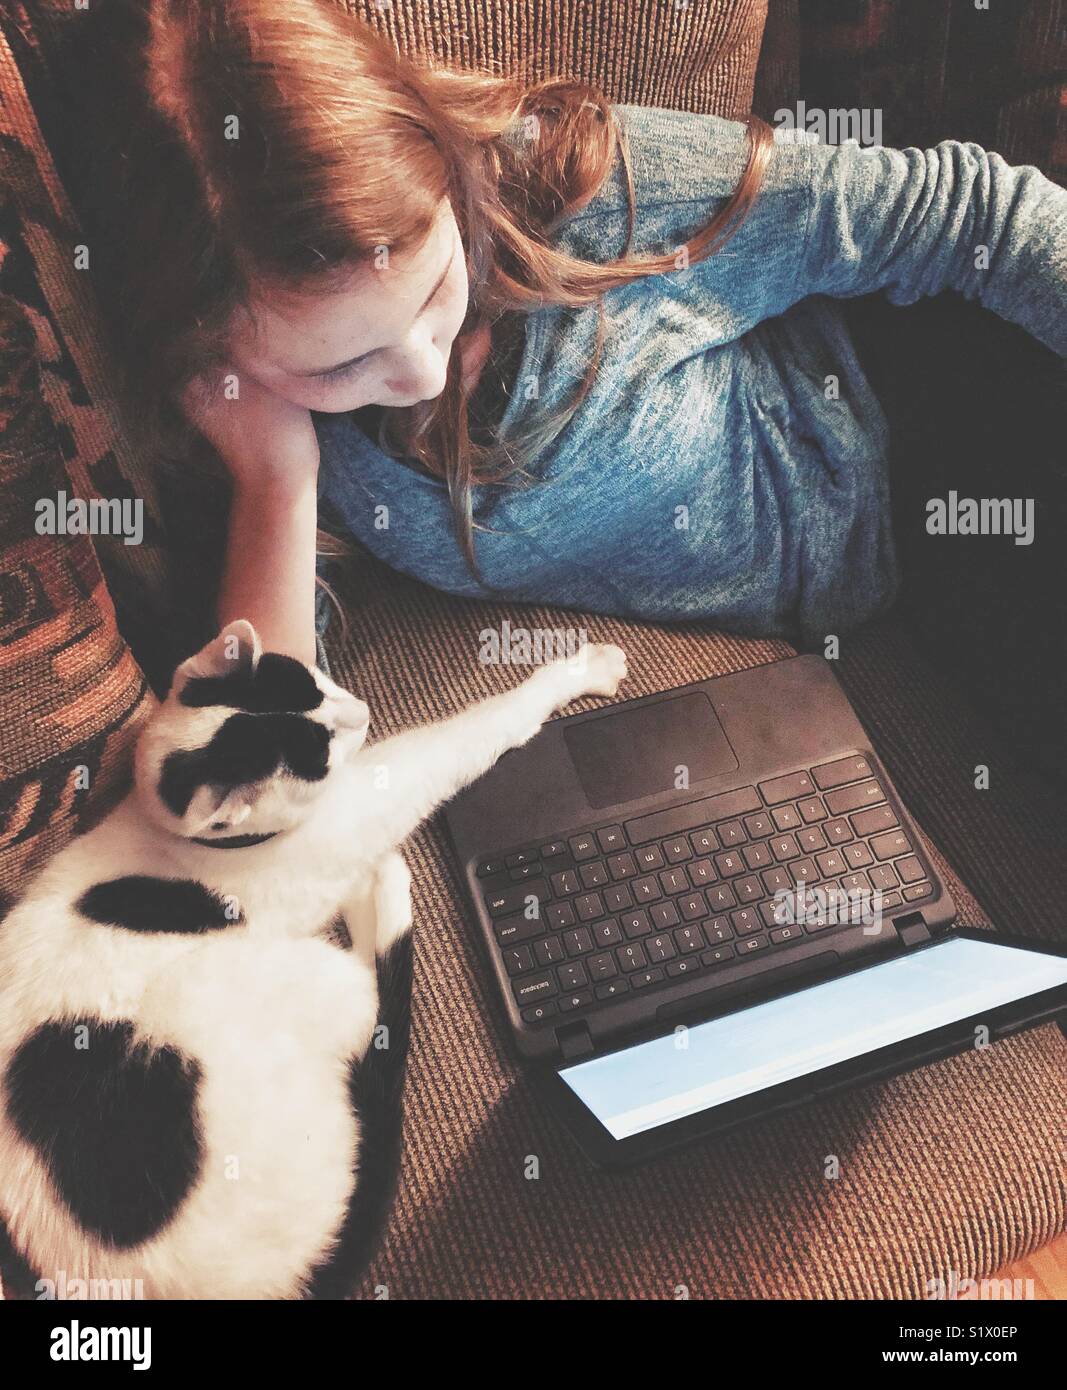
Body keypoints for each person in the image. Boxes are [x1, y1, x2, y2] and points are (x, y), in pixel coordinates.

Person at [79, 0, 1066, 777]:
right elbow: (267, 774)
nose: (417, 369)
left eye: (430, 288)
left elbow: (969, 210)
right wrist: (276, 482)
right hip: (892, 593)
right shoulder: (266, 427)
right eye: (338, 364)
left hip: (937, 424)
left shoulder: (587, 192)